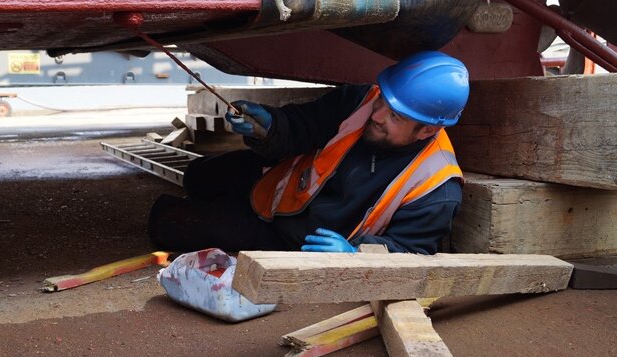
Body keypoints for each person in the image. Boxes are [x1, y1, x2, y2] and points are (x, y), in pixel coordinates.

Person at [148, 51, 469, 254]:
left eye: (395, 115)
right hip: (278, 178)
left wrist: (357, 255)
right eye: (383, 100)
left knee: (169, 224)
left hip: (289, 238)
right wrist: (269, 126)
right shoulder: (362, 101)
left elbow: (411, 252)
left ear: (427, 130)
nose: (378, 114)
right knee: (198, 176)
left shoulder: (436, 188)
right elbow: (306, 124)